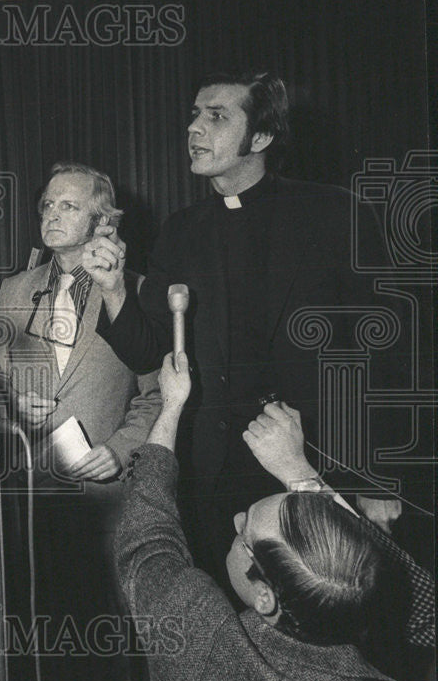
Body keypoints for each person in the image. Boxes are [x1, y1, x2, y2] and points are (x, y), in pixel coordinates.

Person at [84, 71, 401, 585]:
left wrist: (378, 480)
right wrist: (114, 288)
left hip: (314, 466)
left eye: (216, 116)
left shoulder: (335, 213)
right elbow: (149, 352)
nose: (194, 128)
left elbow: (388, 352)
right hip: (211, 480)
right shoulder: (181, 231)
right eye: (193, 114)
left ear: (261, 137)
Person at [117, 350, 432, 681]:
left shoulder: (199, 641)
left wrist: (171, 405)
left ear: (265, 598)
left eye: (245, 535)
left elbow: (147, 535)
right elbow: (414, 594)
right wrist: (298, 472)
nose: (236, 519)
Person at [0, 162, 161, 681]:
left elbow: (158, 394)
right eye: (47, 206)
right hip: (30, 492)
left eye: (69, 206)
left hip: (105, 491)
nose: (52, 215)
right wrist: (11, 401)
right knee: (40, 627)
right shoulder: (13, 290)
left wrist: (122, 448)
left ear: (102, 219)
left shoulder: (136, 292)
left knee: (111, 630)